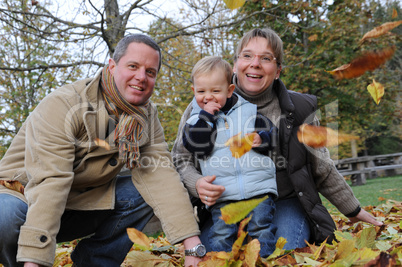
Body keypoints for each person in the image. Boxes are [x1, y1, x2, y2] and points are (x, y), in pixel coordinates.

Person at [0, 34, 205, 267]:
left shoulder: (145, 116)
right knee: (4, 215)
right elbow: (51, 181)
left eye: (150, 72)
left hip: (79, 203)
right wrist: (34, 262)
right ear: (112, 66)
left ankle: (93, 262)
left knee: (145, 192)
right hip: (25, 197)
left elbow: (161, 176)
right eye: (133, 66)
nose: (141, 77)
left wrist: (193, 245)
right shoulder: (65, 104)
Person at [172, 28, 383, 252]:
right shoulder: (203, 105)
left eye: (266, 58)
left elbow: (321, 167)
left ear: (278, 70)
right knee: (213, 254)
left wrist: (353, 210)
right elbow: (181, 159)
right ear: (234, 65)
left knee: (285, 252)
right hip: (225, 202)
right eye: (247, 55)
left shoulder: (299, 110)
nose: (255, 63)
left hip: (283, 200)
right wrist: (196, 183)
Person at [182, 56, 278, 257]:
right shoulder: (195, 121)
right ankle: (222, 262)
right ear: (194, 92)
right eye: (201, 92)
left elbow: (274, 136)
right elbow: (198, 148)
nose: (208, 97)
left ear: (229, 90)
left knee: (262, 230)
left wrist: (263, 138)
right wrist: (206, 117)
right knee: (221, 235)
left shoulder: (249, 111)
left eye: (216, 91)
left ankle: (263, 261)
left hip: (258, 189)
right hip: (223, 195)